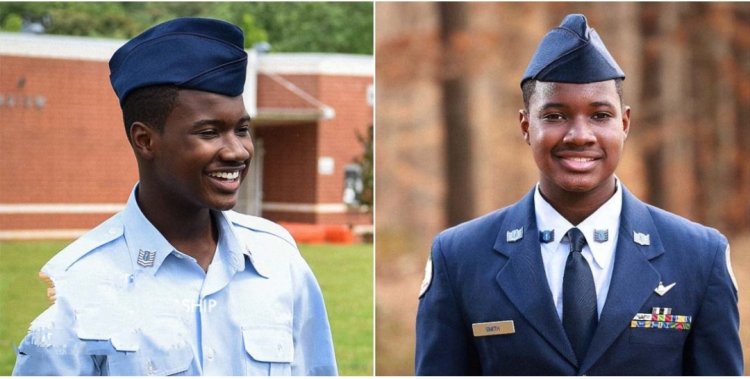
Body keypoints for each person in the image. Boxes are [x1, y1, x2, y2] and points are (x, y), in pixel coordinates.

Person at [415, 13, 742, 375]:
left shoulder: (698, 256)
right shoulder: (460, 258)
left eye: (600, 115)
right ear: (526, 125)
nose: (579, 135)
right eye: (555, 116)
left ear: (625, 123)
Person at [13, 17, 337, 376]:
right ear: (145, 140)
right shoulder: (80, 284)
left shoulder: (278, 261)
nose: (237, 151)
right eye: (209, 132)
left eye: (242, 129)